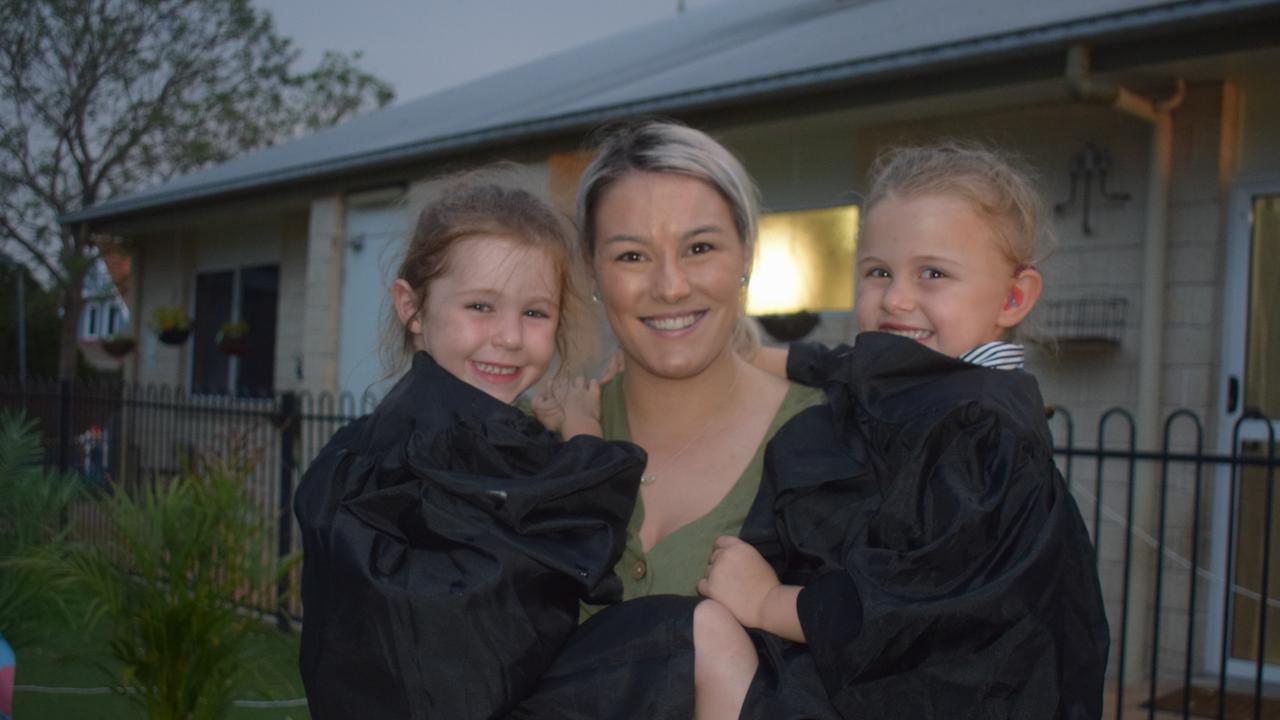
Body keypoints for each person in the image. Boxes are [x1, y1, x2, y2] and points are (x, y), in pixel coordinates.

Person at [515, 129, 1108, 719]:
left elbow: (921, 635)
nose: (670, 286)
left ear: (748, 254)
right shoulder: (523, 443)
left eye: (699, 248)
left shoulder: (861, 441)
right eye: (631, 255)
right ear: (591, 270)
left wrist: (772, 601)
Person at [293, 174, 649, 720]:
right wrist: (582, 432)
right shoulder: (466, 451)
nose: (509, 336)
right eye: (481, 307)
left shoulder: (357, 448)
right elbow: (571, 530)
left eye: (535, 313)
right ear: (412, 309)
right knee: (678, 638)